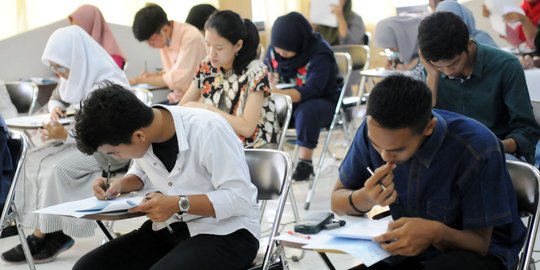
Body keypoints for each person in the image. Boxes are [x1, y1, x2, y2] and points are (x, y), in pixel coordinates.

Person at [332, 75, 525, 270]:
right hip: (409, 250)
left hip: (474, 255)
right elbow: (337, 200)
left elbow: (480, 244)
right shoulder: (372, 130)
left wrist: (436, 233)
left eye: (397, 150)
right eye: (376, 145)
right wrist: (365, 198)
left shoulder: (476, 148)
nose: (384, 155)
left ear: (428, 128)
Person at [71, 83, 259, 270]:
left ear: (138, 136)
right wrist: (118, 184)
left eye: (114, 153)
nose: (116, 157)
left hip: (228, 233)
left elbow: (239, 198)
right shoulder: (143, 131)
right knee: (87, 267)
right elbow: (141, 173)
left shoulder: (207, 129)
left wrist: (178, 203)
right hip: (170, 229)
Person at [1, 26, 130, 264]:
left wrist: (66, 133)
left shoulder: (107, 83)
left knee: (57, 169)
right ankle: (41, 229)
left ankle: (51, 233)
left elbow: (104, 132)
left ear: (77, 58)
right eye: (55, 69)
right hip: (83, 141)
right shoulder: (76, 73)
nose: (61, 74)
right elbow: (56, 97)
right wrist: (54, 109)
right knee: (33, 159)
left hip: (108, 150)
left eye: (62, 68)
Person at [418, 12, 540, 164]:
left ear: (468, 45)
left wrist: (498, 145)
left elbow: (527, 131)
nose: (448, 72)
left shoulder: (505, 66)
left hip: (501, 153)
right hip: (453, 157)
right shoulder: (432, 71)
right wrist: (432, 76)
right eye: (440, 67)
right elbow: (421, 129)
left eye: (454, 63)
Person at [180, 10, 278, 148]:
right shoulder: (206, 66)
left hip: (253, 149)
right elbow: (182, 107)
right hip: (218, 142)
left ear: (237, 45)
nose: (211, 53)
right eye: (208, 44)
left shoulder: (255, 71)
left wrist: (206, 109)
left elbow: (247, 128)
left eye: (219, 48)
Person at [265, 12, 340, 181]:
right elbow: (264, 73)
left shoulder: (319, 53)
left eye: (286, 51)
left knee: (307, 111)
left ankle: (305, 163)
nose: (280, 54)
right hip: (288, 101)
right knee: (263, 108)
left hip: (322, 101)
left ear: (300, 43)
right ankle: (268, 159)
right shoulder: (273, 50)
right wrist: (270, 82)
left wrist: (276, 93)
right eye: (277, 49)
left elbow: (313, 89)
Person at [130, 4, 206, 104]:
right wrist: (154, 75)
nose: (150, 46)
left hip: (197, 100)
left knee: (149, 115)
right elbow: (171, 72)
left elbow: (179, 80)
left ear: (164, 30)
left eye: (152, 41)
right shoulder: (166, 40)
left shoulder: (191, 38)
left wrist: (139, 80)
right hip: (178, 97)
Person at [69, 4, 127, 69]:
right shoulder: (82, 52)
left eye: (78, 27)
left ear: (90, 25)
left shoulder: (113, 58)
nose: (75, 32)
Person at [374, 15, 425, 80]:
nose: (391, 50)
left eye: (391, 47)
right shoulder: (405, 49)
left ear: (398, 38)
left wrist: (407, 67)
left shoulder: (424, 41)